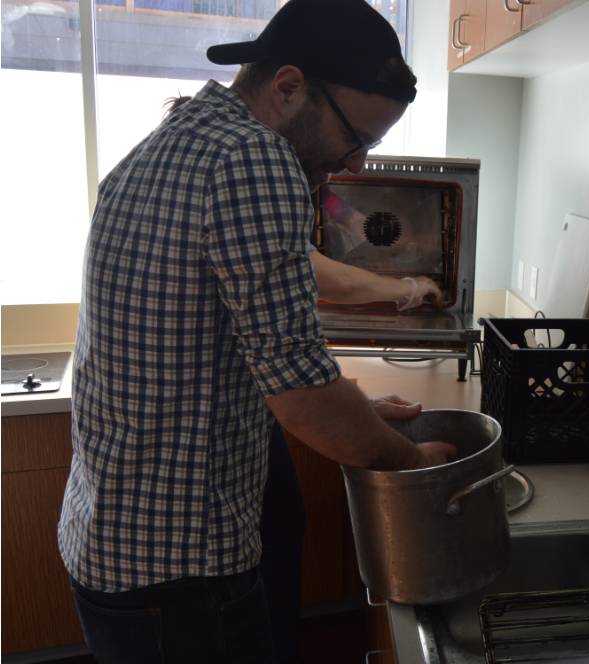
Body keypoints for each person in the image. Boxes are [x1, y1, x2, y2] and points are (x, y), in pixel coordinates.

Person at [57, 1, 456, 662]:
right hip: (180, 568)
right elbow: (301, 392)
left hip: (112, 540)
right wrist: (408, 461)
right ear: (289, 87)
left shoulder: (172, 141)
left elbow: (224, 351)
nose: (355, 162)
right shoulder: (255, 160)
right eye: (358, 136)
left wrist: (355, 412)